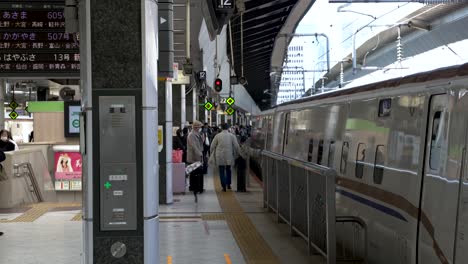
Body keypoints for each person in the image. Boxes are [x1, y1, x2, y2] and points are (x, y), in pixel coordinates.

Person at [210, 123, 241, 192]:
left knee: (221, 170)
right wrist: (239, 153)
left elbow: (212, 146)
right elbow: (236, 146)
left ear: (221, 128)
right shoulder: (232, 136)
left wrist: (211, 153)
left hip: (220, 155)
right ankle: (228, 184)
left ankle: (223, 186)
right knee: (228, 169)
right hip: (228, 155)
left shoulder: (217, 136)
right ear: (228, 128)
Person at [187, 120, 204, 202]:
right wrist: (199, 154)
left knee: (196, 173)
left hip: (198, 155)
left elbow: (200, 144)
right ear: (196, 127)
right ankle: (195, 187)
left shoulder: (197, 134)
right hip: (194, 156)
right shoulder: (191, 135)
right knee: (194, 173)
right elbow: (193, 146)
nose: (200, 128)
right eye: (200, 127)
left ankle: (197, 187)